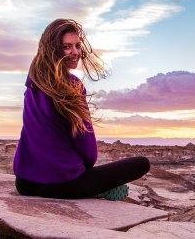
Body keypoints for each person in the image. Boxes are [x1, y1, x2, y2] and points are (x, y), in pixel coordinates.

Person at [13, 19, 149, 200]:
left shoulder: (33, 82)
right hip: (64, 185)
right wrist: (84, 171)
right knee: (141, 164)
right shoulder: (72, 86)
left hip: (25, 183)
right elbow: (88, 149)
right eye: (67, 47)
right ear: (52, 49)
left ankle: (94, 189)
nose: (75, 52)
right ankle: (97, 190)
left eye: (77, 46)